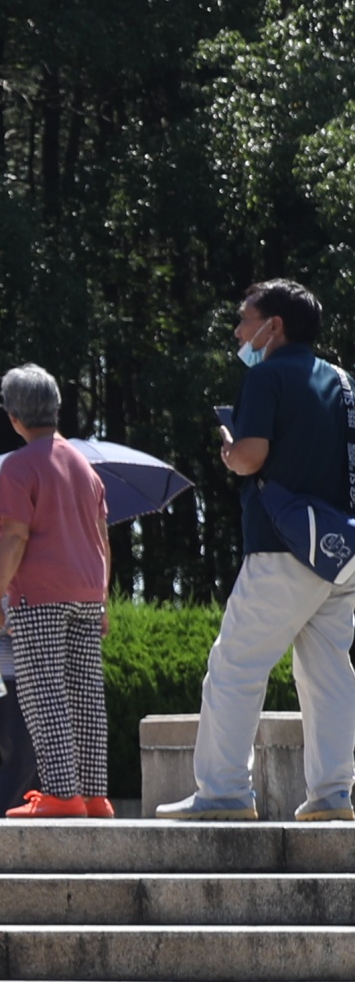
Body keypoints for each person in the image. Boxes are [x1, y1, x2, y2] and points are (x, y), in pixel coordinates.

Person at [175, 282, 355, 821]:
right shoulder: (344, 382)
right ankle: (333, 794)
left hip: (281, 547)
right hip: (341, 550)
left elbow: (252, 456)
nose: (238, 332)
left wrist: (231, 452)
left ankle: (224, 791)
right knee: (328, 673)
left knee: (235, 665)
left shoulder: (266, 376)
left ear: (273, 326)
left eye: (245, 319)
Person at [0, 365, 118, 817]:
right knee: (85, 693)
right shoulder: (83, 465)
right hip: (87, 592)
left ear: (14, 417)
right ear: (56, 408)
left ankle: (61, 794)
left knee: (43, 691)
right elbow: (102, 537)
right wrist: (102, 599)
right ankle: (94, 795)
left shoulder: (18, 467)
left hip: (39, 595)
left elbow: (15, 537)